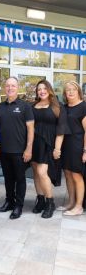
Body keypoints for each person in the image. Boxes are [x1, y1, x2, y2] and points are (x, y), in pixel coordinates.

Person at [0, 77, 34, 219]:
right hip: (4, 151)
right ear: (4, 88)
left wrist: (28, 149)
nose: (10, 88)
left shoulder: (25, 107)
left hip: (20, 151)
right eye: (7, 86)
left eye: (13, 85)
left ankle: (19, 206)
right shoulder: (0, 107)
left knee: (20, 179)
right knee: (8, 179)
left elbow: (31, 129)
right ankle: (9, 202)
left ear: (18, 88)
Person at [31, 80, 69, 219]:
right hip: (34, 143)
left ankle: (50, 202)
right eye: (39, 89)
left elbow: (61, 130)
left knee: (42, 172)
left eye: (44, 88)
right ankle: (40, 200)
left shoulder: (57, 107)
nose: (41, 91)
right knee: (35, 172)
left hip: (49, 143)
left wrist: (57, 149)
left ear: (49, 90)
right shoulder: (33, 105)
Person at [60, 81, 86, 216]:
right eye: (67, 90)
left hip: (77, 145)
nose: (70, 92)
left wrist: (85, 151)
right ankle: (71, 202)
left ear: (78, 92)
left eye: (73, 90)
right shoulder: (64, 107)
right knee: (68, 175)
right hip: (65, 145)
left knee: (76, 175)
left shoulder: (83, 107)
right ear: (64, 93)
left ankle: (79, 206)